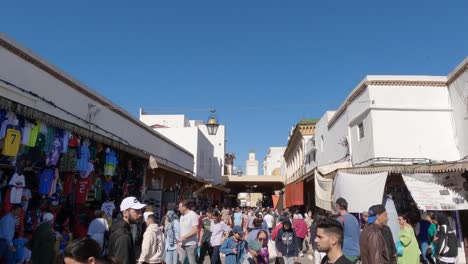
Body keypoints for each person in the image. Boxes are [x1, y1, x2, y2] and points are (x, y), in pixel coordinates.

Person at [108, 196, 146, 264]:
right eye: (136, 210)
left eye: (141, 210)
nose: (140, 214)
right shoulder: (123, 236)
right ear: (125, 213)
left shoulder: (123, 229)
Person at [335, 198, 360, 263]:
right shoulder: (354, 218)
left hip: (346, 252)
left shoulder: (340, 220)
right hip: (356, 252)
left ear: (338, 206)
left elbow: (335, 237)